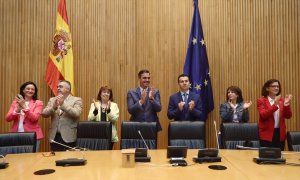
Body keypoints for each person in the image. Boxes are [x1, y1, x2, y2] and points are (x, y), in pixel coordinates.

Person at [42, 80, 83, 151]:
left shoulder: (76, 100)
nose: (58, 88)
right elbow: (44, 114)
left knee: (69, 160)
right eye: (57, 87)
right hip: (54, 137)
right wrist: (53, 107)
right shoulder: (52, 100)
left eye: (60, 87)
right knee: (55, 159)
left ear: (68, 89)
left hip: (69, 136)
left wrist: (62, 105)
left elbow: (77, 113)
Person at [5, 81, 44, 152]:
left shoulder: (38, 103)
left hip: (32, 135)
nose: (30, 90)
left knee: (32, 158)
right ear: (23, 90)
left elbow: (35, 118)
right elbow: (7, 118)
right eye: (28, 88)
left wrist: (25, 107)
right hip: (16, 134)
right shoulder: (15, 102)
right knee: (17, 157)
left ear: (35, 92)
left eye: (33, 89)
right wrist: (16, 110)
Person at [257, 79, 292, 150]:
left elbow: (288, 116)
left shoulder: (282, 100)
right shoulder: (261, 100)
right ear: (267, 88)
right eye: (273, 86)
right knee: (267, 158)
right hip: (267, 134)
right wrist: (275, 104)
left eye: (277, 86)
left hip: (279, 134)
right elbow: (263, 115)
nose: (276, 88)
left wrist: (286, 104)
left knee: (279, 157)